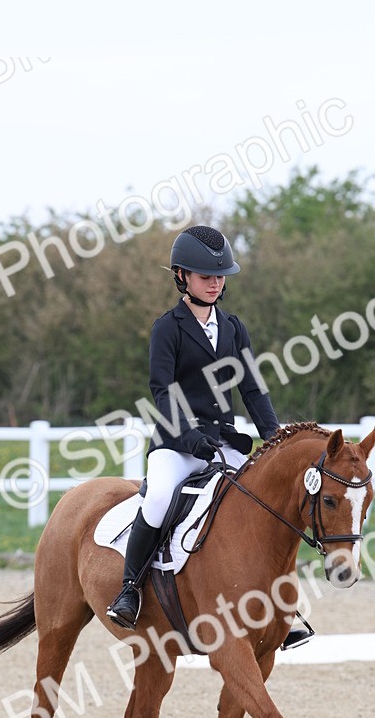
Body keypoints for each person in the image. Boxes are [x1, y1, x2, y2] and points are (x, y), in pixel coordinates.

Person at [106, 224, 313, 648]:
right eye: (206, 276)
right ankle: (130, 590)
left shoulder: (233, 328)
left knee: (266, 503)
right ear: (181, 276)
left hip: (223, 442)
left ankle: (282, 606)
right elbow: (162, 392)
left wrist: (274, 438)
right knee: (159, 498)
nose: (215, 283)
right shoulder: (168, 328)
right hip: (176, 444)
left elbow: (252, 389)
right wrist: (190, 439)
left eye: (220, 276)